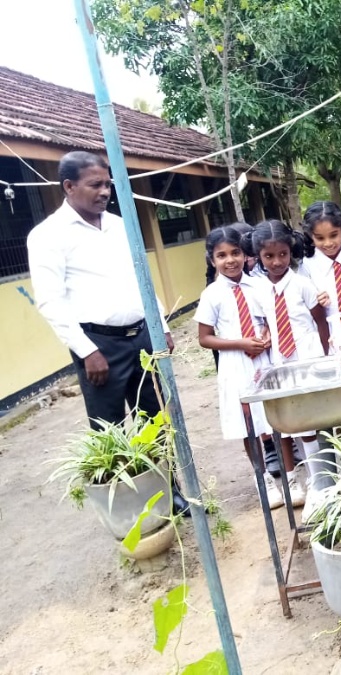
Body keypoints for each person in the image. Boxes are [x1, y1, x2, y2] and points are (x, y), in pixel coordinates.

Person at [27, 151, 188, 515]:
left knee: (155, 419)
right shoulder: (48, 236)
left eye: (107, 184)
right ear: (69, 186)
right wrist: (87, 351)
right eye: (95, 184)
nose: (104, 192)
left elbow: (141, 277)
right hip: (98, 346)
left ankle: (170, 494)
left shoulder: (119, 224)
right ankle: (131, 509)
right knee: (110, 430)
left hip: (141, 337)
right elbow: (50, 301)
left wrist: (160, 326)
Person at [194, 226, 283, 508]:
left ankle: (288, 474)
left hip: (265, 359)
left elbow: (272, 318)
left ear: (246, 255)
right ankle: (263, 478)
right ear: (212, 260)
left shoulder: (260, 285)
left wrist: (267, 335)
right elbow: (205, 338)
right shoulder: (212, 294)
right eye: (222, 255)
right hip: (236, 363)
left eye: (235, 253)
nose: (230, 260)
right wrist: (240, 343)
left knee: (274, 415)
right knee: (248, 424)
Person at [244, 220, 329, 513]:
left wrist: (324, 356)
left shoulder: (303, 284)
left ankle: (319, 482)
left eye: (282, 254)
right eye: (269, 256)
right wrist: (264, 337)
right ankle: (294, 480)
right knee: (285, 424)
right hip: (279, 363)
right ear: (258, 256)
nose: (277, 261)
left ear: (290, 251)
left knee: (309, 423)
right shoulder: (257, 289)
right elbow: (263, 324)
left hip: (307, 358)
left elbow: (320, 322)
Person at [301, 201, 341, 338]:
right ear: (310, 235)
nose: (328, 243)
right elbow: (305, 304)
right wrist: (317, 301)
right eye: (320, 238)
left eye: (333, 235)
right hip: (330, 336)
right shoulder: (307, 266)